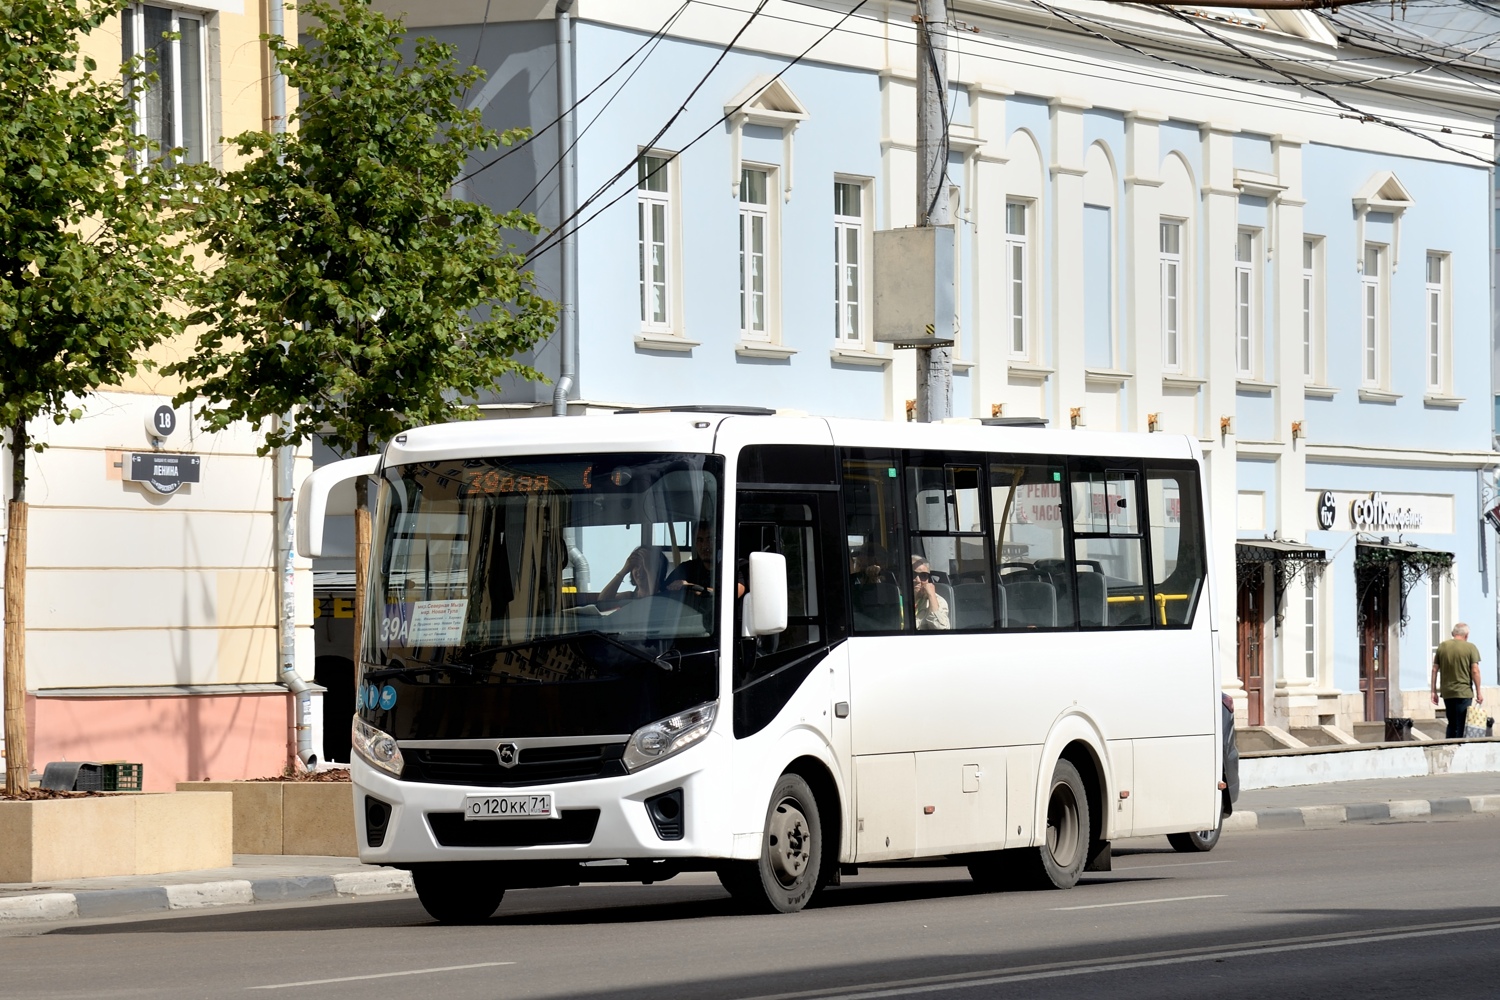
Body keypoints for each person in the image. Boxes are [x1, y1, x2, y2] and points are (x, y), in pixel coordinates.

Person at [1431, 621, 1484, 739]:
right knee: (1462, 724)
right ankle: (1459, 749)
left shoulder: (1443, 646)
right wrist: (1479, 691)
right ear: (1467, 635)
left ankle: (1448, 747)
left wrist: (1433, 691)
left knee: (1451, 723)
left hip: (1447, 692)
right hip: (1464, 691)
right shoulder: (1470, 647)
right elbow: (1475, 670)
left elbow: (1435, 669)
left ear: (1453, 633)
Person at [600, 546, 666, 603]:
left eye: (645, 566)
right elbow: (602, 602)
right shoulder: (629, 597)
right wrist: (624, 570)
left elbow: (653, 601)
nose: (640, 571)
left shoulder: (665, 598)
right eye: (636, 566)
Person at [912, 556, 950, 631]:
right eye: (913, 574)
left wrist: (931, 596)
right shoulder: (895, 597)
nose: (918, 580)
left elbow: (941, 630)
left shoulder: (938, 601)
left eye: (923, 576)